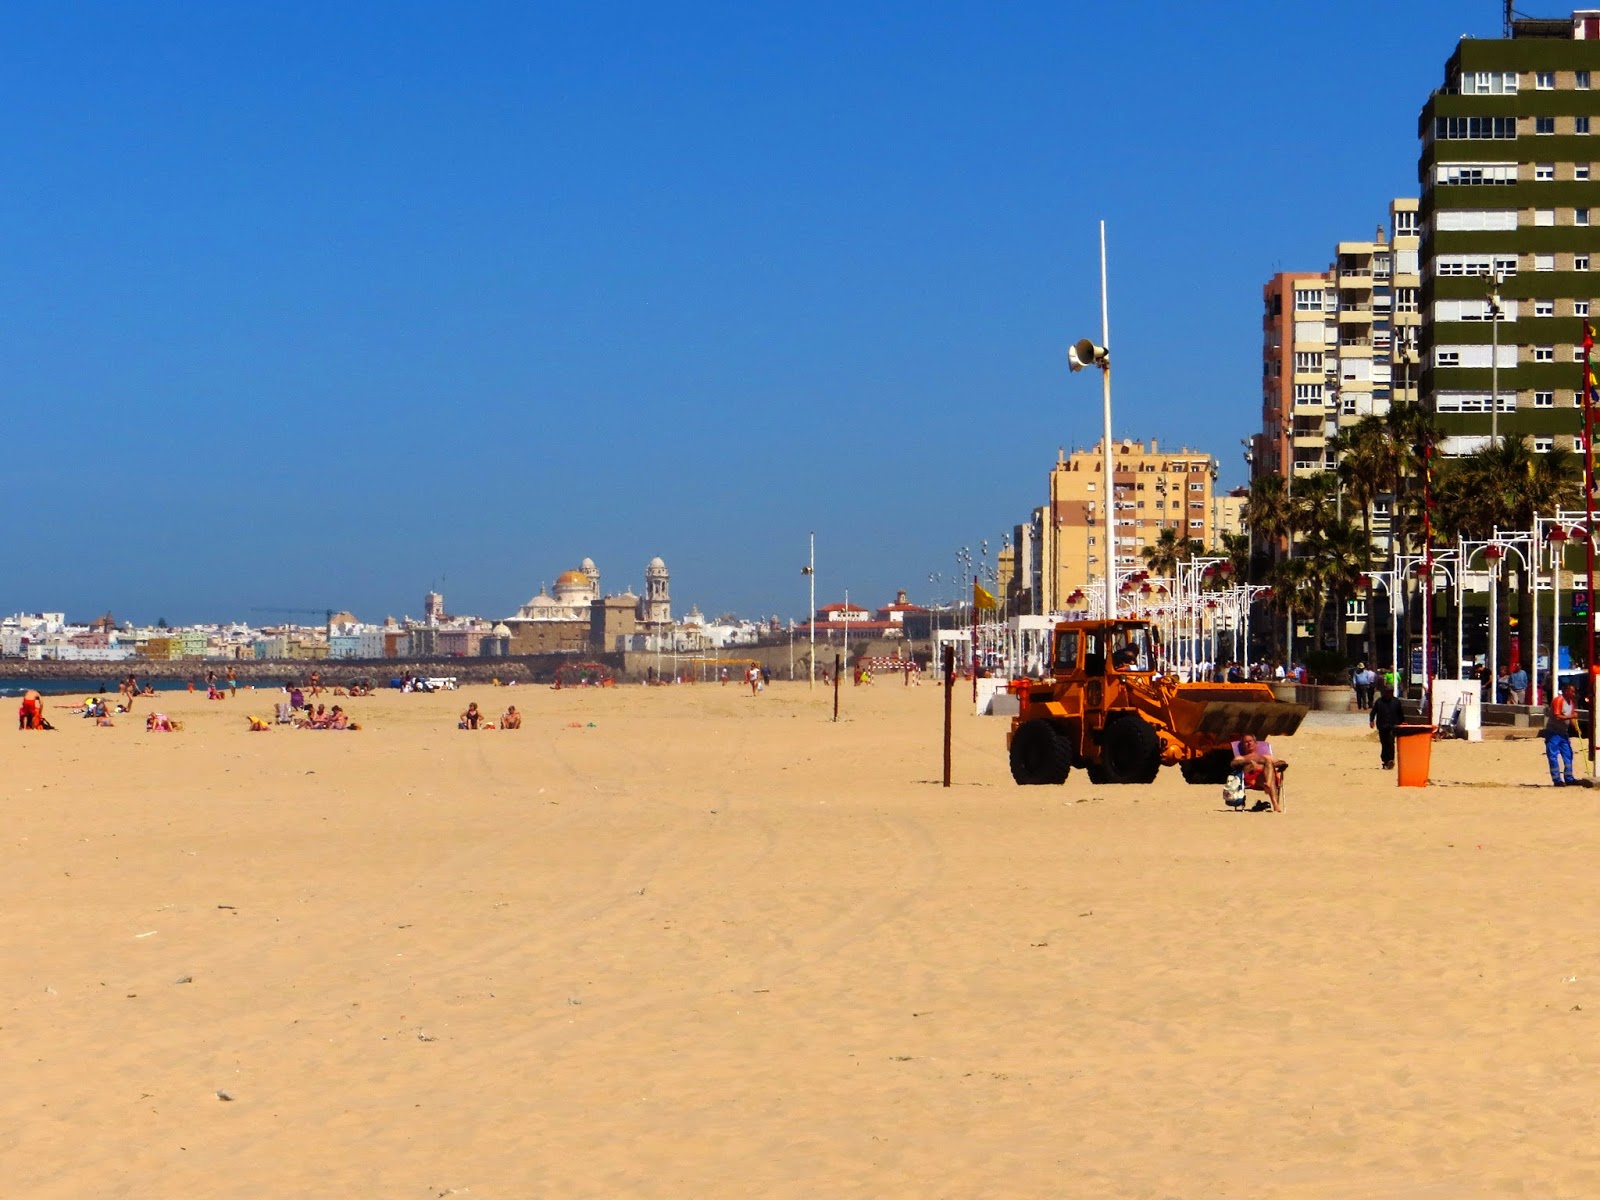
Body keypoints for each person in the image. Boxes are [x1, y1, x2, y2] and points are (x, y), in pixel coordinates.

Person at [1231, 733, 1288, 813]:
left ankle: (1268, 784)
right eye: (1246, 742)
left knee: (1269, 763)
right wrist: (1249, 762)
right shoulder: (1241, 757)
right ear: (1243, 746)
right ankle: (1275, 804)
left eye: (1250, 741)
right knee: (1270, 774)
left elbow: (1282, 762)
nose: (1249, 743)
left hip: (1265, 777)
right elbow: (1233, 764)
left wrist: (1265, 765)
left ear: (1255, 743)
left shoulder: (1265, 756)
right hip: (1253, 780)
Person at [1543, 683, 1581, 787]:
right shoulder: (1558, 700)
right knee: (1553, 755)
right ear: (1565, 691)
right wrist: (1571, 716)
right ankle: (1557, 779)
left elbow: (1571, 717)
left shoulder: (1571, 702)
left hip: (1563, 732)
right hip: (1553, 732)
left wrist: (1576, 727)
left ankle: (1569, 778)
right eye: (1572, 691)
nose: (1573, 694)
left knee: (1568, 754)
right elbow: (1558, 716)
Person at [1370, 683, 1406, 770]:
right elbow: (1373, 712)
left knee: (1390, 743)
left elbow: (1400, 713)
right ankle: (1385, 760)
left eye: (1390, 692)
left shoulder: (1396, 702)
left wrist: (1403, 722)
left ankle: (1390, 760)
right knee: (1384, 743)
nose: (1389, 693)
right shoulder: (1379, 702)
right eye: (1387, 691)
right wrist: (1371, 720)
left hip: (1392, 726)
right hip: (1382, 726)